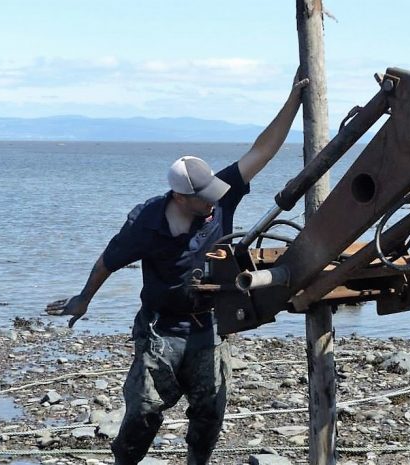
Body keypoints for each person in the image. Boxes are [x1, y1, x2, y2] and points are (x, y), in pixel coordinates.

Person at [45, 72, 308, 465]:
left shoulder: (220, 196)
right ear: (181, 197)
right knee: (144, 410)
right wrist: (83, 301)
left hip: (209, 326)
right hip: (159, 330)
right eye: (203, 201)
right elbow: (107, 261)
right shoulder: (144, 224)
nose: (211, 206)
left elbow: (262, 151)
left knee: (210, 410)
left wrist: (293, 102)